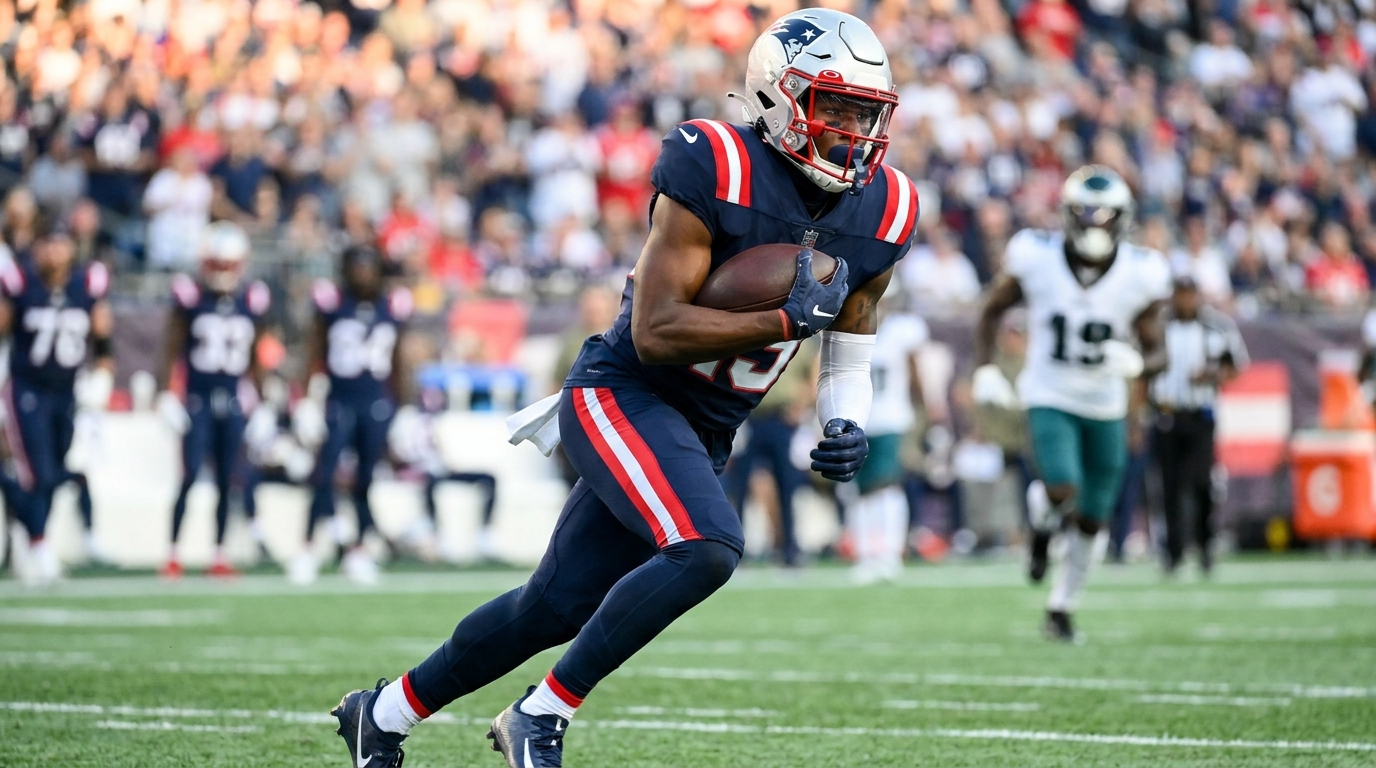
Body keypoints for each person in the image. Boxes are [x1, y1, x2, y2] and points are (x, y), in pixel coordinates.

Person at [330, 10, 917, 767]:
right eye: (834, 107)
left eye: (865, 113)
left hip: (706, 426)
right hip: (625, 393)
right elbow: (656, 332)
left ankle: (381, 715)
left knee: (551, 607)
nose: (853, 131)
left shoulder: (886, 208)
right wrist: (779, 319)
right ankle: (540, 715)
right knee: (706, 547)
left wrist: (844, 420)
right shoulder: (717, 165)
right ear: (779, 96)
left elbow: (850, 346)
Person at [974, 165, 1170, 643]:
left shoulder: (1141, 272)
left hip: (1106, 403)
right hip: (1050, 393)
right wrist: (985, 368)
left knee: (1093, 518)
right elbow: (991, 309)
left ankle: (1061, 607)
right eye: (1085, 214)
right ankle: (1043, 519)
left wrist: (1139, 365)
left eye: (1104, 216)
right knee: (1063, 486)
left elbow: (1159, 351)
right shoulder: (1036, 256)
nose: (1094, 224)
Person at [290, 244, 412, 586]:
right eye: (357, 266)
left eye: (369, 266)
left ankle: (357, 550)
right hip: (339, 400)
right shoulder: (333, 305)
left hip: (375, 403)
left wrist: (405, 407)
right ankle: (307, 548)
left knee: (365, 480)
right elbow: (313, 351)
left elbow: (399, 361)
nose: (363, 273)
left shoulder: (392, 306)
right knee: (324, 474)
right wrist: (305, 400)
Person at [0, 226, 114, 587]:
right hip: (27, 389)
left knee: (55, 472)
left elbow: (103, 337)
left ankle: (33, 538)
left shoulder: (86, 285)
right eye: (47, 244)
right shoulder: (22, 283)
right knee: (39, 473)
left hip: (66, 391)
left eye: (60, 245)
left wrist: (103, 375)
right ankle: (40, 546)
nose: (54, 252)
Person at [158, 222, 272, 579]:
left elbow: (255, 356)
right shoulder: (191, 297)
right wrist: (167, 394)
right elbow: (171, 348)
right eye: (217, 264)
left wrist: (263, 402)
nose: (222, 272)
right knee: (189, 475)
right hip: (197, 399)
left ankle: (218, 553)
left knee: (228, 479)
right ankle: (173, 552)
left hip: (233, 400)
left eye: (228, 264)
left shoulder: (251, 299)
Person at [1149, 274, 1248, 575]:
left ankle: (1205, 545)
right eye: (1180, 293)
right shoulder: (1157, 325)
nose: (1185, 300)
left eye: (1189, 294)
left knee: (1203, 483)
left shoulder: (1217, 325)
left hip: (1201, 414)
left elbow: (1237, 366)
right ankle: (1173, 553)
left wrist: (1212, 375)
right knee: (1169, 486)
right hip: (1165, 414)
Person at [848, 290, 927, 583]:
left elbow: (916, 373)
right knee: (860, 491)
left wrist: (928, 409)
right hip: (858, 419)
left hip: (891, 418)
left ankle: (891, 553)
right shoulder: (849, 325)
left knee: (888, 486)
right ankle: (866, 554)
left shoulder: (902, 331)